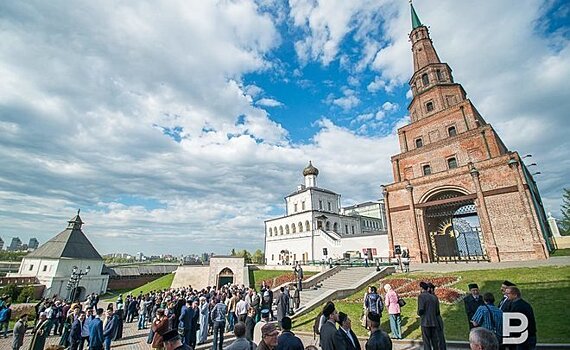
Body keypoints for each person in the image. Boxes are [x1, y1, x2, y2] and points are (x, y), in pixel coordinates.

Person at [418, 282, 441, 350]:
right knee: (435, 342)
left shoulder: (421, 296)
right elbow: (437, 312)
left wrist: (419, 313)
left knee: (426, 342)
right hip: (434, 322)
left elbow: (421, 310)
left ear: (421, 288)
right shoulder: (434, 297)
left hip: (425, 322)